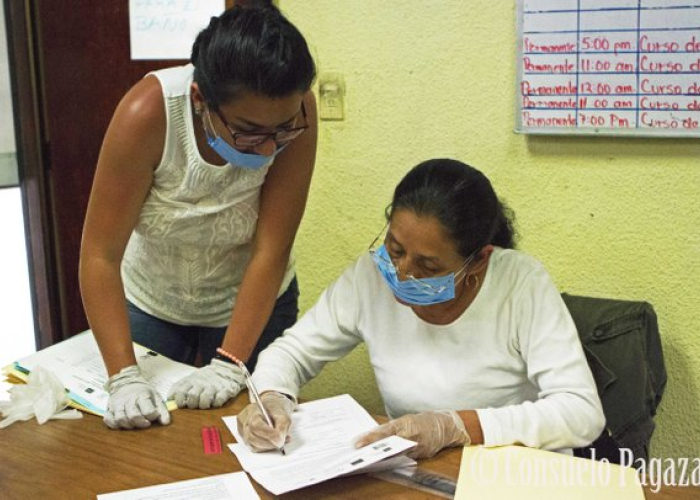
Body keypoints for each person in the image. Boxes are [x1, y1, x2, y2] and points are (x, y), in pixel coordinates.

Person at [236, 159, 605, 458]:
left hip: (511, 473)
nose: (401, 273)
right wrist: (271, 398)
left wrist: (454, 426)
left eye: (428, 267)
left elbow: (580, 413)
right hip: (417, 473)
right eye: (395, 249)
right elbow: (292, 352)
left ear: (477, 262)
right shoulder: (369, 277)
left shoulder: (520, 284)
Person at [79, 4, 317, 430]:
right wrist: (124, 376)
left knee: (248, 435)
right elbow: (100, 254)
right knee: (139, 434)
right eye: (249, 131)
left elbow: (271, 248)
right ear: (199, 100)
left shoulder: (294, 111)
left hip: (251, 299)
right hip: (153, 300)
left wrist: (230, 362)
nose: (268, 149)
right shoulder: (148, 113)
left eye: (281, 132)